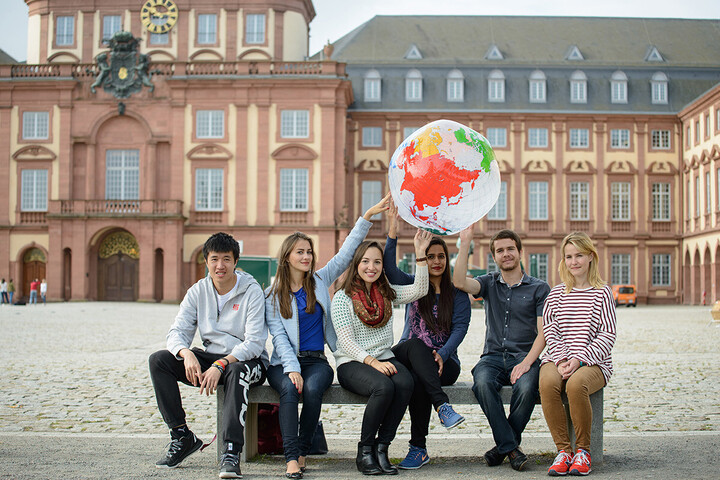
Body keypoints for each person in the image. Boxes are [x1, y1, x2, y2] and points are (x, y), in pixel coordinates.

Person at [265, 194, 390, 479]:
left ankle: (304, 451)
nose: (306, 256)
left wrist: (367, 217)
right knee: (288, 389)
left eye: (309, 251)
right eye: (300, 252)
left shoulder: (320, 279)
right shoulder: (273, 295)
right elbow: (279, 337)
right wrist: (292, 369)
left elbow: (346, 253)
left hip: (317, 361)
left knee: (312, 390)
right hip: (283, 363)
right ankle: (291, 459)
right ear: (287, 257)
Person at [148, 232, 267, 479]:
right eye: (214, 259)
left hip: (247, 361)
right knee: (159, 360)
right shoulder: (197, 291)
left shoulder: (252, 291)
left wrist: (222, 364)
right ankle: (182, 436)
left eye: (226, 259)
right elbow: (177, 331)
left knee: (236, 369)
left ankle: (231, 451)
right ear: (206, 261)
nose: (220, 265)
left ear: (236, 262)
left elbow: (255, 342)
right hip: (210, 357)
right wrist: (186, 353)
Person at [332, 229, 432, 475]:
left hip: (383, 357)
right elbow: (346, 342)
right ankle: (365, 450)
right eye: (365, 261)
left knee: (406, 382)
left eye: (377, 262)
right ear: (357, 264)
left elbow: (419, 290)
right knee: (384, 387)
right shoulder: (342, 298)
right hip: (352, 362)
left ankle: (382, 447)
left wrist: (420, 254)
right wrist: (373, 363)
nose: (371, 267)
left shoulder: (386, 294)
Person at [452, 225, 550, 471]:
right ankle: (511, 447)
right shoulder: (488, 283)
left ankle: (502, 448)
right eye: (500, 250)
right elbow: (459, 282)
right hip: (493, 358)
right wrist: (465, 243)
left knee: (527, 387)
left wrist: (527, 362)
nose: (506, 254)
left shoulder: (539, 288)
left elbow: (544, 332)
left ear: (519, 252)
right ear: (494, 257)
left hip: (524, 357)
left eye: (510, 249)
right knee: (482, 383)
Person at [382, 206, 471, 470]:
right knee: (414, 345)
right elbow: (388, 269)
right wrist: (393, 229)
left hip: (444, 363)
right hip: (409, 356)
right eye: (430, 256)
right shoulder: (413, 284)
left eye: (441, 256)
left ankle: (418, 449)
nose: (435, 261)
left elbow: (460, 329)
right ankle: (443, 407)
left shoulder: (457, 294)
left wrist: (443, 354)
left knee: (420, 380)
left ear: (447, 259)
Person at [540, 232, 616, 477]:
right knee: (547, 382)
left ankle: (583, 451)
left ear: (591, 257)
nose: (574, 262)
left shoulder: (602, 293)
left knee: (575, 385)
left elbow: (607, 335)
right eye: (569, 256)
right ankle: (564, 451)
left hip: (593, 362)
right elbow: (550, 329)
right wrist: (562, 359)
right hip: (558, 358)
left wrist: (580, 359)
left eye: (579, 255)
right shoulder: (557, 293)